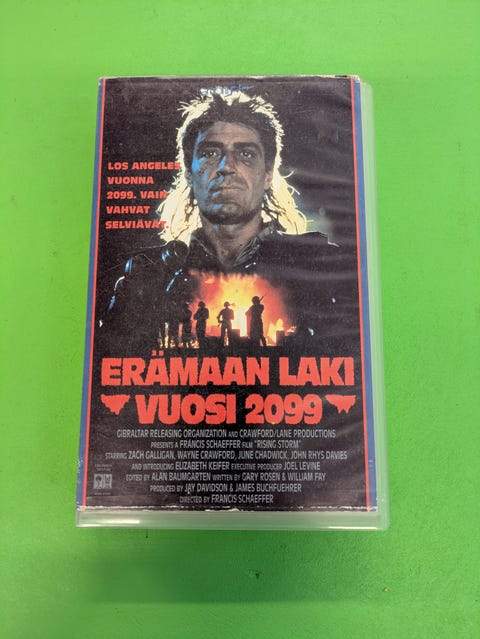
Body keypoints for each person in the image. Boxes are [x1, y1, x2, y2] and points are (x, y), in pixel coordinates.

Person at [101, 88, 354, 353]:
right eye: (210, 153)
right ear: (188, 173)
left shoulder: (319, 266)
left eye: (246, 154)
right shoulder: (147, 275)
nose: (226, 166)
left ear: (268, 174)